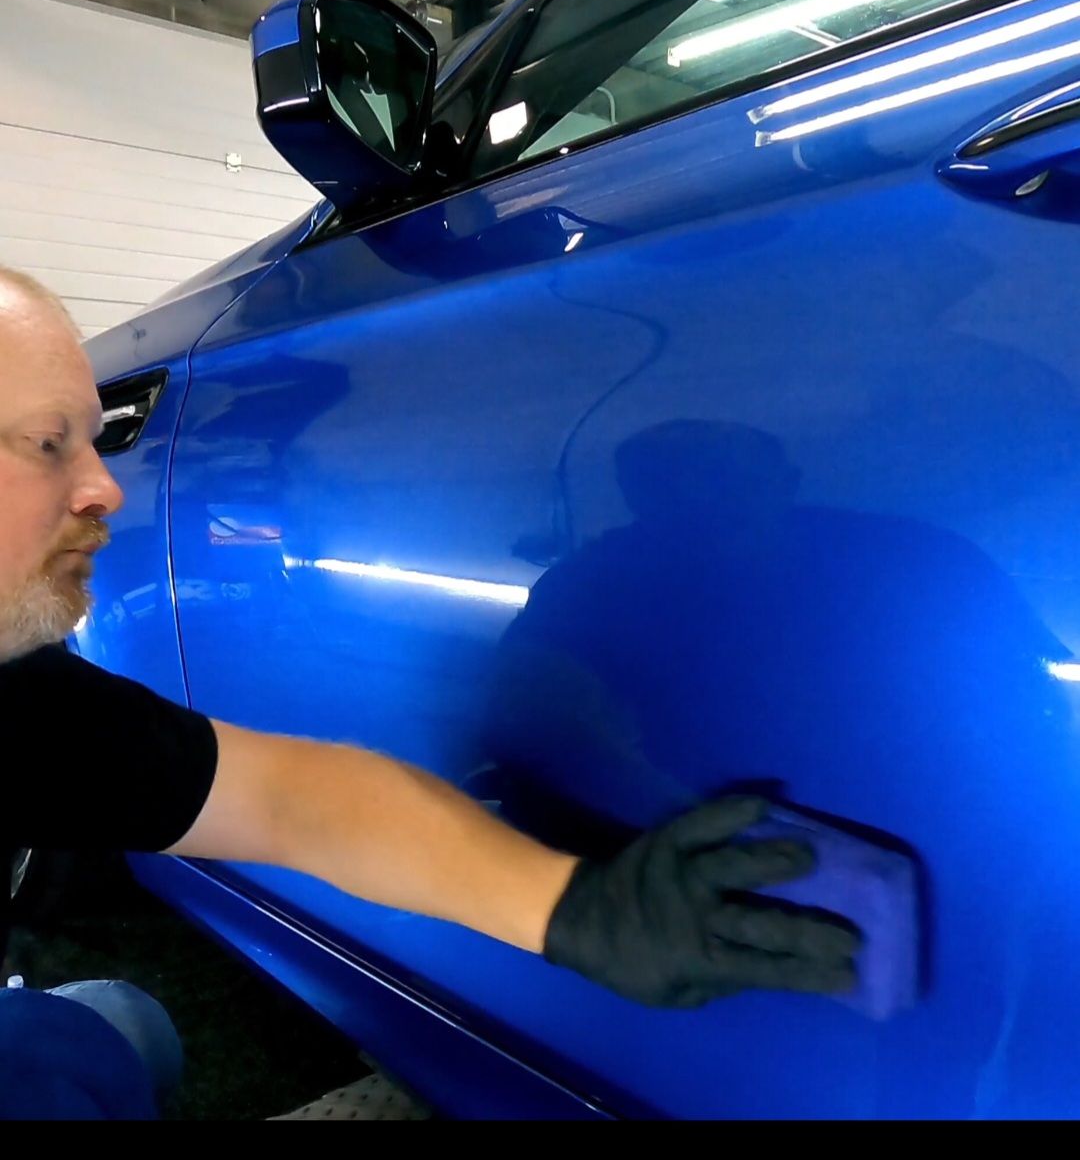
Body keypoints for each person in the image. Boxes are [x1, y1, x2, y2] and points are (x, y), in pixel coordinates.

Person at [0, 267, 858, 1120]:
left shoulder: (23, 701)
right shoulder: (604, 581)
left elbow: (293, 798)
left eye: (94, 440)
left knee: (123, 1022)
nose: (105, 487)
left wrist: (573, 907)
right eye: (49, 442)